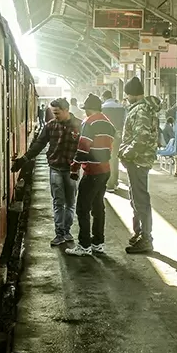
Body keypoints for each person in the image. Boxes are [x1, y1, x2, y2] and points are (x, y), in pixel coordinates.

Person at [11, 98, 82, 246]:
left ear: (66, 110)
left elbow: (86, 147)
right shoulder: (51, 126)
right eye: (53, 113)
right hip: (56, 168)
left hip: (72, 170)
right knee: (58, 202)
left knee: (70, 203)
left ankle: (66, 231)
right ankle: (60, 233)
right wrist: (24, 159)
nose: (55, 116)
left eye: (57, 113)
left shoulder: (79, 125)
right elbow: (39, 144)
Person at [65, 94, 116, 256]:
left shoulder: (89, 122)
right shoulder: (108, 123)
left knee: (82, 208)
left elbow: (83, 147)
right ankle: (98, 243)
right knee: (98, 207)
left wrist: (74, 169)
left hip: (92, 171)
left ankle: (84, 245)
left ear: (88, 109)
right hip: (105, 170)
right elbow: (109, 145)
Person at [118, 77, 160, 254]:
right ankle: (139, 233)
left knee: (140, 200)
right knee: (135, 198)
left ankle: (146, 238)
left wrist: (126, 154)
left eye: (127, 95)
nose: (126, 98)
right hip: (138, 161)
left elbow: (140, 138)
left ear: (133, 94)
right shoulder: (141, 108)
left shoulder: (140, 110)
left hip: (138, 161)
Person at [101, 89, 126, 192]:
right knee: (115, 158)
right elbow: (125, 121)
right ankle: (115, 182)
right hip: (118, 135)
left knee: (106, 159)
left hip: (106, 136)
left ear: (104, 98)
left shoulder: (102, 108)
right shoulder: (121, 107)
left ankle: (110, 183)